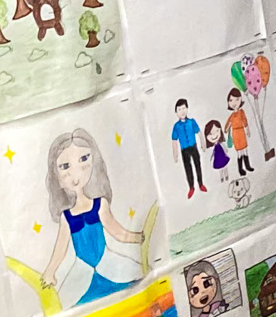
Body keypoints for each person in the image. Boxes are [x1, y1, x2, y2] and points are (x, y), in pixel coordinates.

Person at [40, 129, 145, 306]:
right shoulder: (66, 217)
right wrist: (49, 271)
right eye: (65, 167)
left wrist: (139, 237)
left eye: (83, 159)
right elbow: (60, 250)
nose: (75, 173)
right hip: (82, 273)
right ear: (57, 178)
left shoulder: (100, 204)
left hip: (110, 265)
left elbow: (118, 232)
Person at [170, 99, 205, 197]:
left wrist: (203, 143)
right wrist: (175, 154)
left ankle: (201, 184)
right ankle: (191, 187)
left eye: (184, 108)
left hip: (193, 147)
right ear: (176, 112)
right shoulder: (176, 126)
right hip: (184, 150)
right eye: (179, 109)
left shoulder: (192, 122)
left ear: (187, 109)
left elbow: (199, 133)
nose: (182, 111)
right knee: (188, 168)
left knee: (198, 165)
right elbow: (174, 141)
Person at [226, 86, 253, 176]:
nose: (234, 103)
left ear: (240, 100)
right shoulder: (232, 116)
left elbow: (245, 121)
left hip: (241, 132)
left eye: (237, 99)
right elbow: (227, 126)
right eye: (231, 100)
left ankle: (248, 166)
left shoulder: (241, 112)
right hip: (235, 134)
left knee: (245, 150)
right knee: (239, 152)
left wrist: (247, 129)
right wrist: (227, 128)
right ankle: (240, 169)